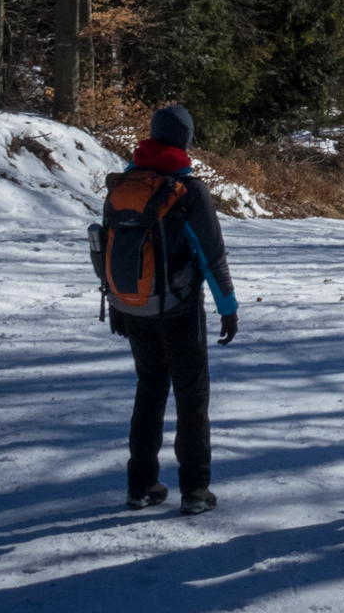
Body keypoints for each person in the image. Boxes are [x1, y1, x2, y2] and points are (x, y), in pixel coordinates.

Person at [108, 103, 239, 516]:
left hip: (133, 308)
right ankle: (196, 490)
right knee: (191, 395)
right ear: (184, 140)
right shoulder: (189, 190)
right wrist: (228, 308)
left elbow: (107, 250)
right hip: (180, 310)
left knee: (149, 390)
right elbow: (211, 255)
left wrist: (116, 303)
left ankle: (141, 485)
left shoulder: (124, 184)